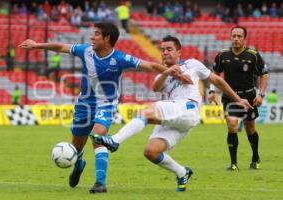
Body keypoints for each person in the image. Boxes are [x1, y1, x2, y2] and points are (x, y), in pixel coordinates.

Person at [19, 22, 191, 193]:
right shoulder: (85, 51)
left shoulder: (120, 58)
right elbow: (61, 46)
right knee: (77, 145)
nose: (92, 37)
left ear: (107, 38)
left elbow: (150, 66)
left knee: (98, 137)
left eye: (96, 34)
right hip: (83, 105)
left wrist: (172, 72)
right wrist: (37, 46)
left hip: (106, 105)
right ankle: (78, 164)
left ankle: (99, 183)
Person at [90, 35, 252, 192]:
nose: (165, 52)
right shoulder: (163, 74)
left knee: (146, 111)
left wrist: (237, 99)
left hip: (188, 107)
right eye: (162, 50)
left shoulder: (192, 64)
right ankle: (182, 172)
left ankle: (115, 140)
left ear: (179, 52)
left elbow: (217, 80)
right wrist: (169, 72)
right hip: (176, 117)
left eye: (169, 49)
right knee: (151, 151)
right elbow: (155, 87)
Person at [209, 26, 268, 171]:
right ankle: (233, 163)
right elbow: (214, 74)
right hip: (230, 97)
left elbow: (264, 74)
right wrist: (212, 91)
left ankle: (255, 157)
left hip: (249, 96)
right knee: (232, 124)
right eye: (233, 36)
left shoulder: (253, 55)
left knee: (250, 128)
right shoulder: (223, 55)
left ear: (244, 39)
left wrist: (260, 94)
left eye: (239, 36)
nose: (235, 39)